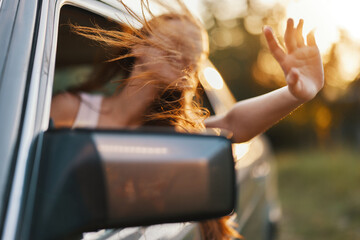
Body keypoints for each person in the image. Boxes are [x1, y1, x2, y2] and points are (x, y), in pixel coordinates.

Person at [50, 0, 324, 239]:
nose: (186, 55)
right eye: (176, 43)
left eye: (196, 57)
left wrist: (296, 94)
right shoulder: (68, 109)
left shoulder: (175, 136)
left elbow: (231, 125)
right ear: (139, 48)